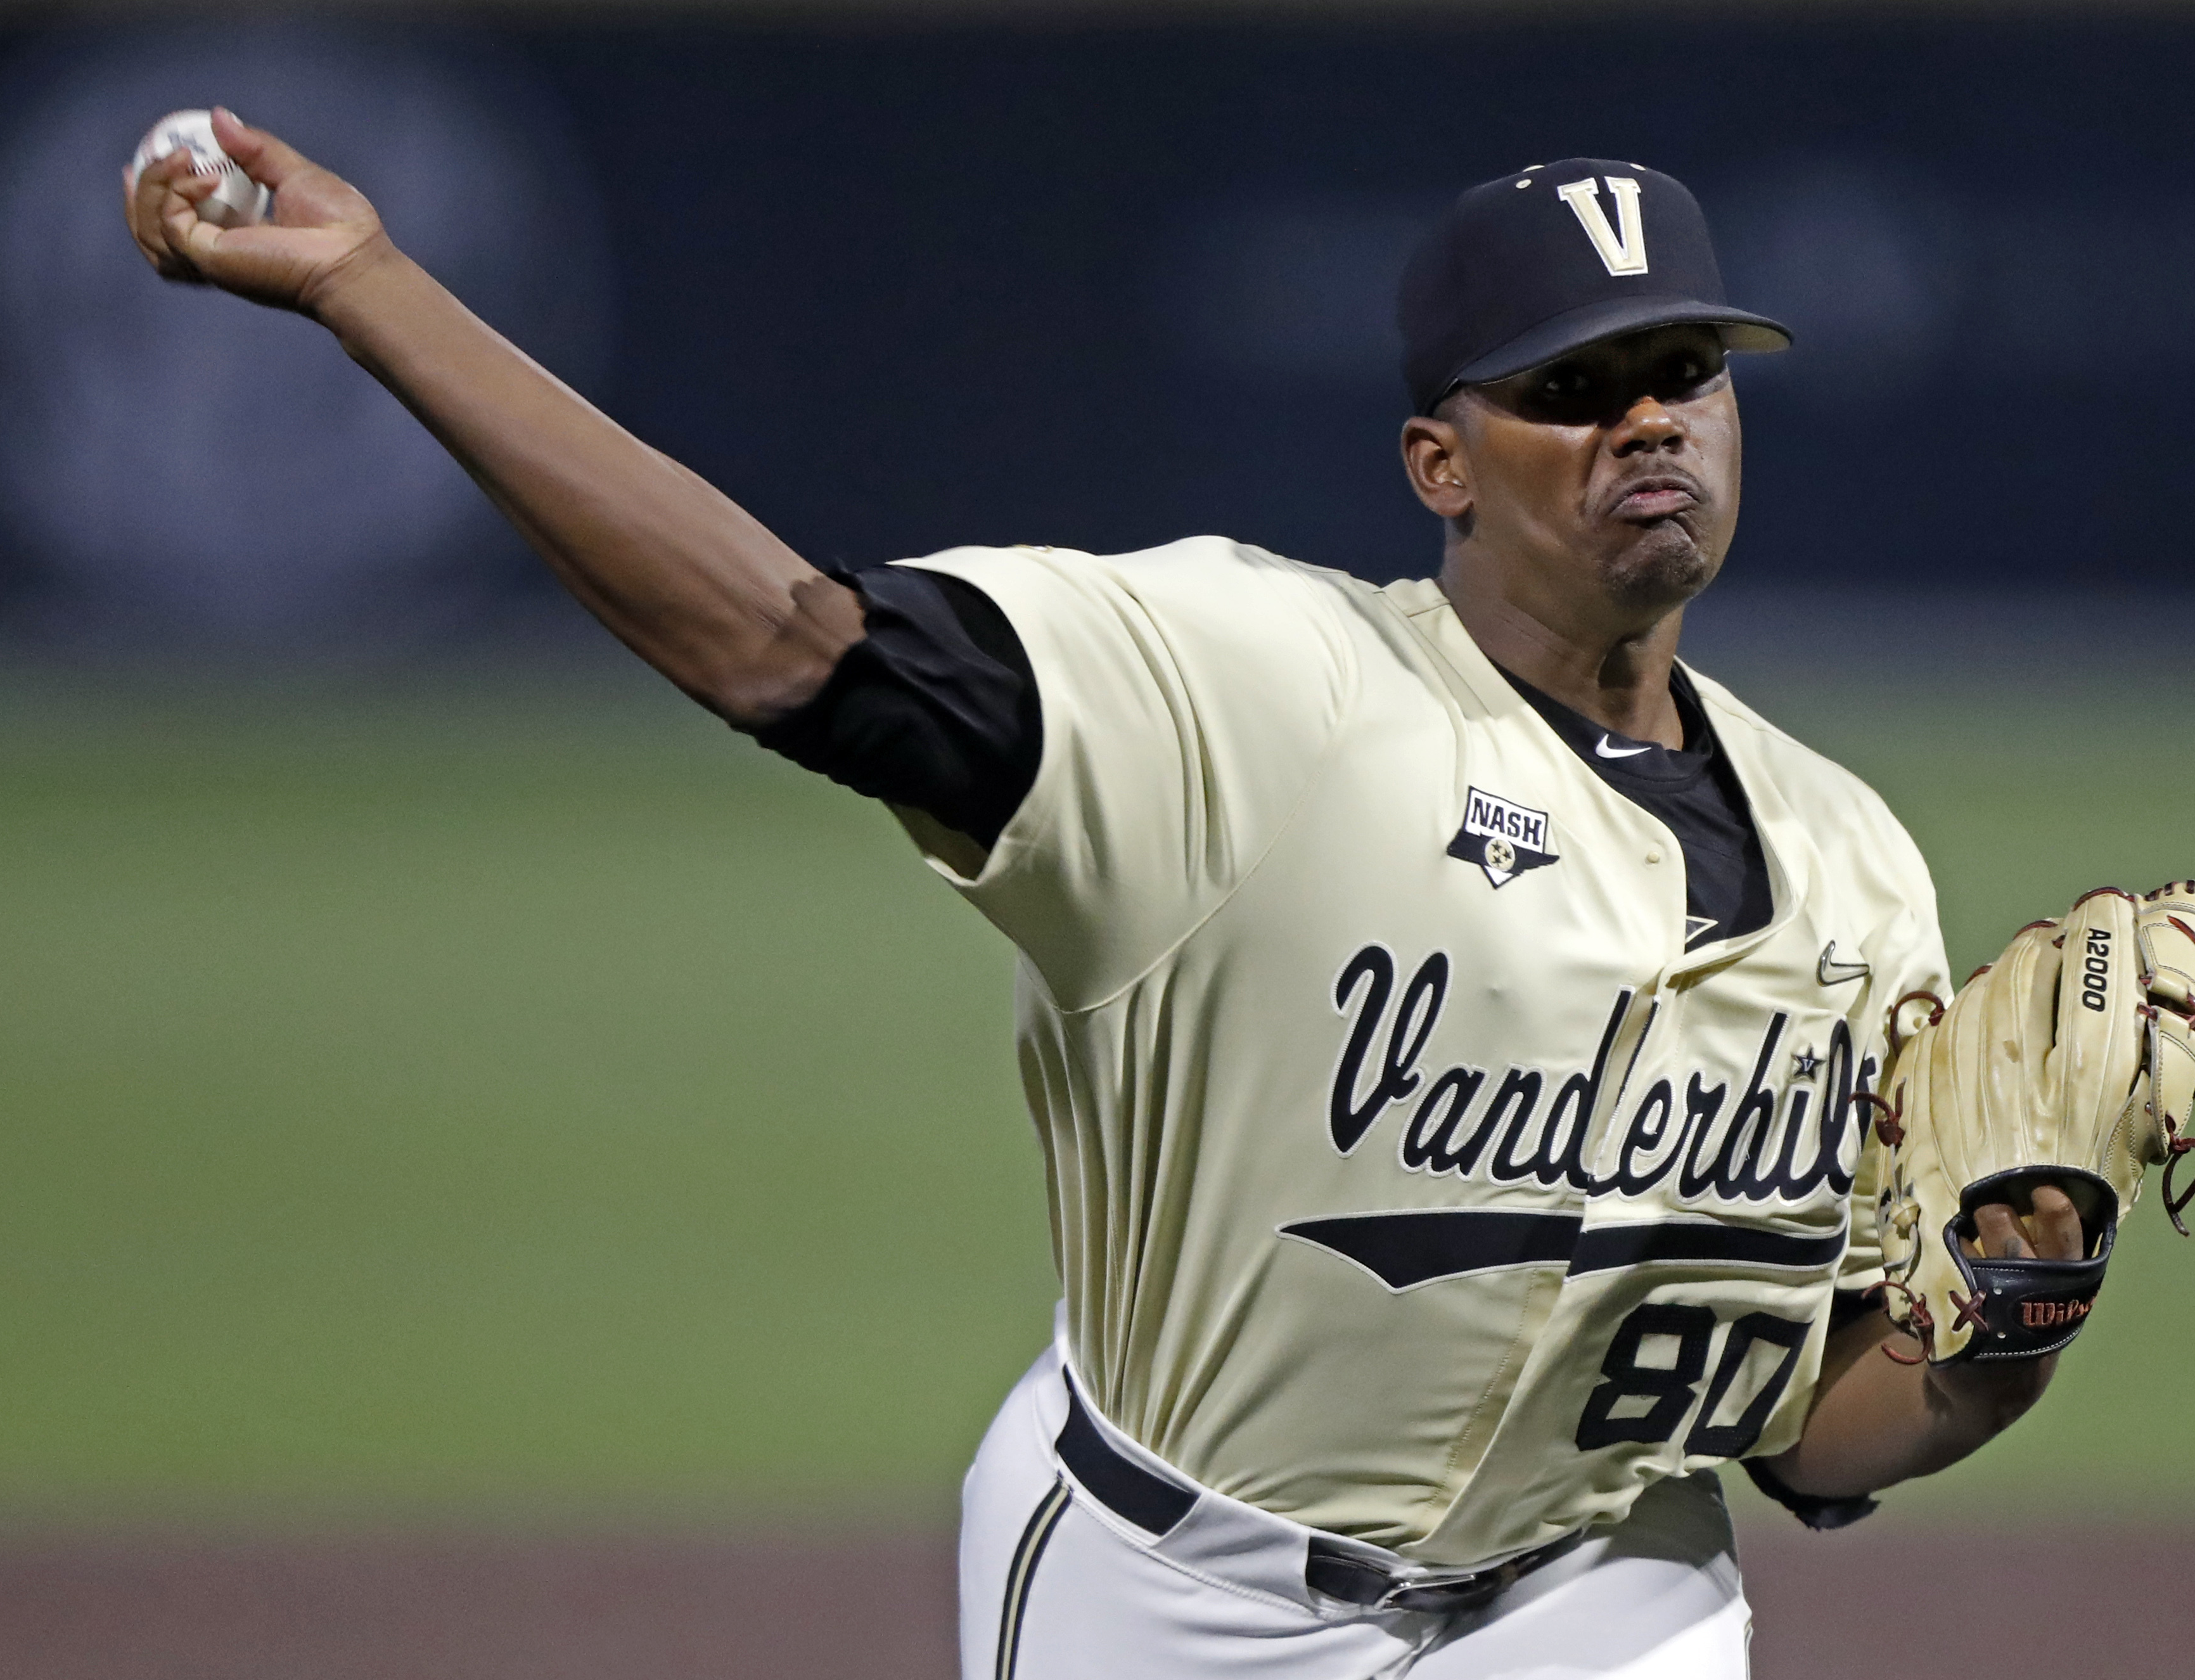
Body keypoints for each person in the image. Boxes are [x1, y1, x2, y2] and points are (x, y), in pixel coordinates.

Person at [127, 118, 2089, 1679]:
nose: (1649, 419)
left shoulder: (1854, 864)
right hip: (1175, 1594)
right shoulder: (1248, 687)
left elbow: (1806, 1426)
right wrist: (373, 289)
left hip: (1602, 1593)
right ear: (1438, 460)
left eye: (1684, 372)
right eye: (1572, 385)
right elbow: (783, 646)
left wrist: (2005, 1327)